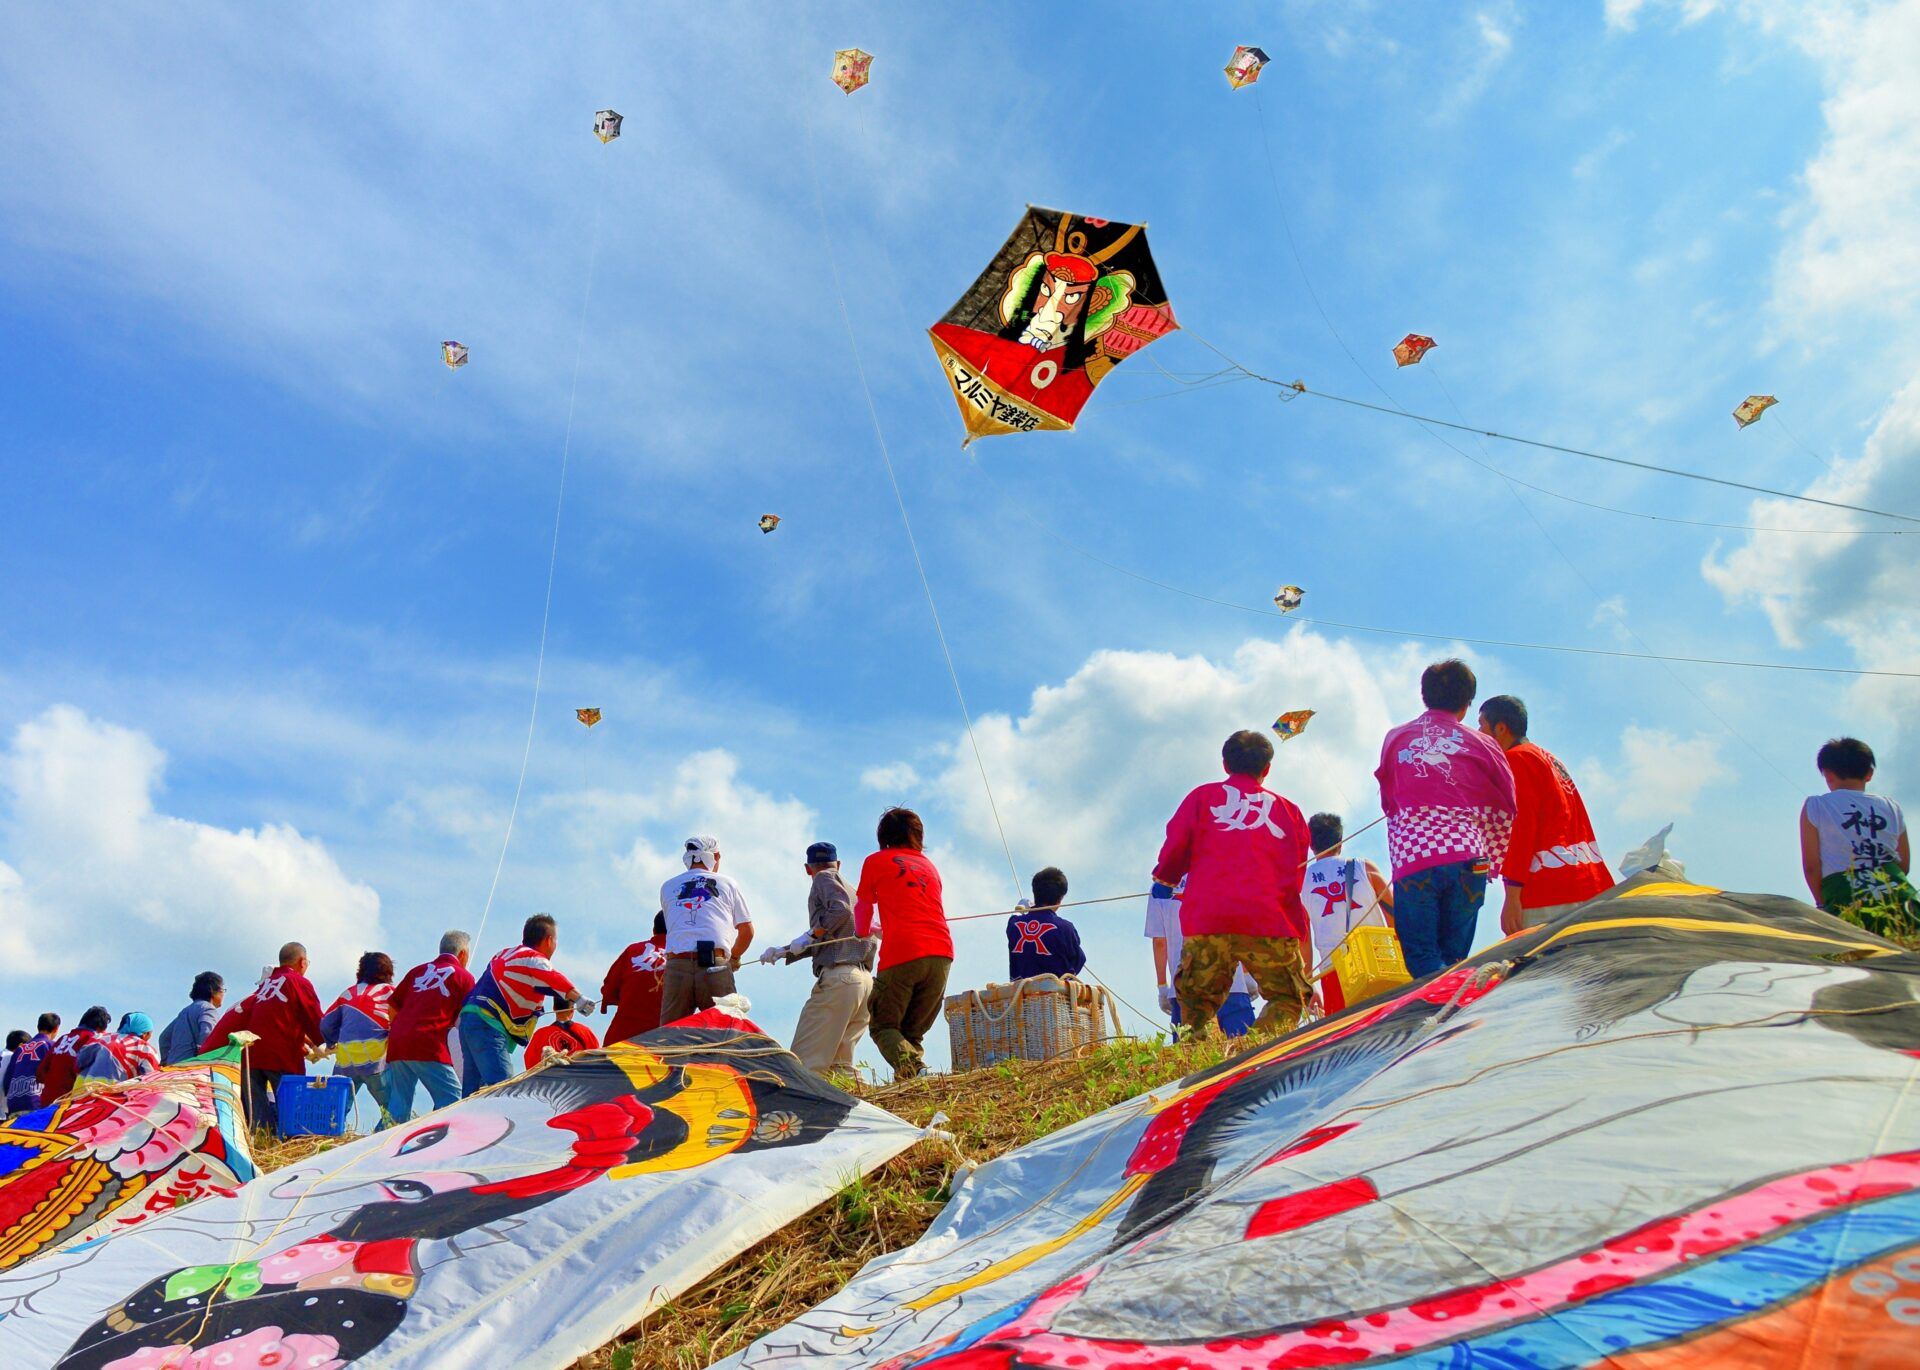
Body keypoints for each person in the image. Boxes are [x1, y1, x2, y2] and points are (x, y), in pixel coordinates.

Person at [1154, 730, 1315, 1038]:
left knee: (1194, 1006)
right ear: (1267, 768)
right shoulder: (1289, 811)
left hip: (1208, 919)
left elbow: (1176, 845)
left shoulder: (1201, 797)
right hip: (1268, 920)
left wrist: (1166, 877)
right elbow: (1296, 874)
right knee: (1288, 997)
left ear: (1225, 764)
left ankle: (1195, 1066)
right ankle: (1252, 1052)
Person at [1376, 659, 1517, 976]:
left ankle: (1442, 1019)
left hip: (1416, 857)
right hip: (1470, 858)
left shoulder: (1396, 738)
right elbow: (1507, 803)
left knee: (1424, 959)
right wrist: (1491, 856)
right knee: (1454, 961)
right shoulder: (1485, 744)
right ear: (1467, 704)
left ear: (1424, 695)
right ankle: (1459, 1015)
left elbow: (1389, 799)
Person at [1477, 695, 1614, 934]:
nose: (1478, 733)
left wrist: (1512, 897)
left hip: (1549, 892)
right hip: (1591, 885)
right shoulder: (1549, 759)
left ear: (1500, 728)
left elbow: (1521, 828)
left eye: (1482, 726)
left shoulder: (1516, 760)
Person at [760, 841, 877, 1076]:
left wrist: (811, 934)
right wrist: (786, 950)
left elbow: (840, 911)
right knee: (841, 1069)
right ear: (839, 863)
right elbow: (836, 933)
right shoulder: (854, 890)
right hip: (864, 983)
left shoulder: (824, 878)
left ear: (807, 869)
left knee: (803, 1066)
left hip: (840, 979)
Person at [855, 808, 953, 1081]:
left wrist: (862, 932)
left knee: (883, 1026)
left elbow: (863, 907)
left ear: (883, 836)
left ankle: (917, 1070)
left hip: (903, 952)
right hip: (942, 953)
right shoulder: (929, 866)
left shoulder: (875, 861)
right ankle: (914, 1085)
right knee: (911, 1033)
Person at [1800, 737, 1918, 940]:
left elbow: (1812, 866)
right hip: (1899, 897)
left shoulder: (1815, 806)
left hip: (1845, 896)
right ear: (1869, 774)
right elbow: (1903, 864)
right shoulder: (1891, 806)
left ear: (1827, 774)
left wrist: (1822, 904)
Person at [458, 914, 584, 1096]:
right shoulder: (534, 959)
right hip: (488, 1023)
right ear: (549, 940)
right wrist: (579, 998)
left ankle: (466, 1123)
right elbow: (552, 977)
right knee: (503, 1088)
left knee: (473, 1090)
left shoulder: (504, 954)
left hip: (469, 1018)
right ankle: (499, 1123)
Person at [203, 942, 324, 1132]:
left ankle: (261, 1141)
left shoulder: (264, 988)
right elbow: (313, 1018)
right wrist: (325, 1040)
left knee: (257, 1113)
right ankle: (292, 1137)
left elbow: (273, 1021)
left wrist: (309, 1045)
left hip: (250, 1055)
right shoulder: (298, 982)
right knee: (291, 1105)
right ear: (302, 962)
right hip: (279, 1055)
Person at [1144, 877, 1261, 1037]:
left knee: (1188, 1052)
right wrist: (1247, 973)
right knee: (1245, 1047)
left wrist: (1162, 987)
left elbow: (1160, 942)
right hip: (1230, 980)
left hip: (1185, 984)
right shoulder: (1222, 872)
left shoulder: (1161, 885)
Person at [1304, 814, 1395, 1015]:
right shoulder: (1365, 867)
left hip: (1333, 971)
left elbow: (1303, 937)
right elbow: (1395, 918)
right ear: (1340, 842)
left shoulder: (1302, 881)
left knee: (1344, 1034)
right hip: (1379, 964)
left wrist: (1308, 983)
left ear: (1311, 844)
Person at [659, 837, 755, 1024]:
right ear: (716, 856)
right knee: (726, 1032)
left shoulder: (667, 887)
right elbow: (747, 931)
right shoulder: (727, 883)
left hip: (676, 965)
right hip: (714, 964)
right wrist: (733, 958)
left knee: (669, 1037)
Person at [386, 930, 475, 1124]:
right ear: (463, 954)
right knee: (452, 1100)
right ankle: (442, 1143)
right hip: (429, 1043)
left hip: (398, 1041)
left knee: (398, 1106)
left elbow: (392, 1006)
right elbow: (466, 1018)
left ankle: (376, 1146)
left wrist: (403, 1030)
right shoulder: (464, 977)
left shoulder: (417, 971)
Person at [320, 952, 396, 1126]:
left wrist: (332, 1042)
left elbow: (325, 1023)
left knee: (335, 1111)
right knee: (392, 1108)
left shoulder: (348, 994)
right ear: (388, 972)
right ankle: (378, 1142)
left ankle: (328, 1140)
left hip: (345, 1061)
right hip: (377, 1061)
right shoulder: (391, 993)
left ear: (360, 971)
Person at [601, 911, 670, 1045]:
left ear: (654, 930)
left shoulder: (633, 950)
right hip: (664, 1045)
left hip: (620, 1040)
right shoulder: (684, 957)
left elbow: (608, 989)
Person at [1006, 867, 1087, 981]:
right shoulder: (1066, 928)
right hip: (1054, 996)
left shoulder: (1014, 924)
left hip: (1020, 995)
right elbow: (1079, 960)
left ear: (1035, 892)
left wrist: (1028, 908)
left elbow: (1018, 917)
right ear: (1060, 898)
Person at [38, 1006, 112, 1104]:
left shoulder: (62, 1039)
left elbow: (40, 1073)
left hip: (46, 1101)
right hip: (67, 1103)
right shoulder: (92, 1040)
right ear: (100, 1028)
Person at [159, 972, 225, 1065]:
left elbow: (164, 1038)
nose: (223, 994)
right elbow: (208, 1034)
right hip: (192, 1068)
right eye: (223, 990)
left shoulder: (184, 1012)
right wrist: (204, 1059)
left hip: (173, 1068)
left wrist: (165, 1061)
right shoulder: (209, 1009)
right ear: (212, 991)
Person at [79, 1013, 161, 1083]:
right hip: (109, 1097)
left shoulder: (100, 1038)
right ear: (145, 1034)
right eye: (150, 1033)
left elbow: (79, 1062)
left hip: (79, 1093)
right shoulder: (144, 1048)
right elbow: (153, 1081)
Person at [4, 1013, 59, 1115]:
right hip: (36, 1104)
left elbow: (7, 1081)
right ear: (56, 1029)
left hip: (13, 1104)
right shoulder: (52, 1046)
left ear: (38, 1027)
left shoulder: (20, 1048)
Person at [523, 1002, 600, 1068]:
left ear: (554, 1008)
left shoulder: (540, 1034)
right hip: (580, 1082)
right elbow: (597, 1059)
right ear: (572, 1008)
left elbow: (530, 1063)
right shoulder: (585, 1032)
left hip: (551, 1082)